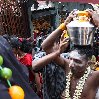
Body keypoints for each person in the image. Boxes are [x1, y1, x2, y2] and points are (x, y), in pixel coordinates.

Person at [32, 10, 99, 99]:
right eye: (71, 59)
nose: (71, 64)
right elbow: (45, 47)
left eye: (77, 61)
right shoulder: (67, 65)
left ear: (89, 62)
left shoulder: (94, 77)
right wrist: (64, 25)